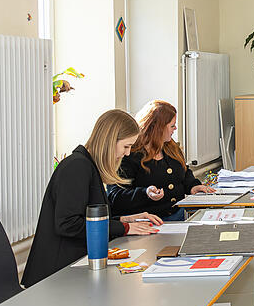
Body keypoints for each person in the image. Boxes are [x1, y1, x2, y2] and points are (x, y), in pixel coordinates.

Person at [22, 109, 161, 288]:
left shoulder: (87, 166)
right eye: (126, 146)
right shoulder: (77, 167)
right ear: (110, 141)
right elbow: (68, 224)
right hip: (58, 275)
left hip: (75, 267)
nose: (127, 153)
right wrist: (124, 227)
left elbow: (89, 219)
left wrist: (126, 219)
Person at [107, 100, 214, 221]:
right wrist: (145, 193)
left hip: (176, 217)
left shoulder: (171, 146)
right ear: (157, 128)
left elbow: (184, 172)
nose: (175, 128)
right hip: (145, 223)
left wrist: (193, 186)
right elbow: (115, 197)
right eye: (172, 126)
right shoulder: (128, 155)